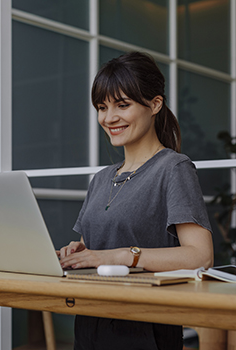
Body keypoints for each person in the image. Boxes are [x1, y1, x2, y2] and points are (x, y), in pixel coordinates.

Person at [58, 51, 214, 350]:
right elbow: (95, 251)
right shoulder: (102, 178)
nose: (109, 117)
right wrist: (78, 251)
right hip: (90, 322)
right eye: (101, 107)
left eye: (122, 105)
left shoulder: (173, 168)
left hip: (144, 330)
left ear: (155, 104)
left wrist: (119, 256)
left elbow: (200, 256)